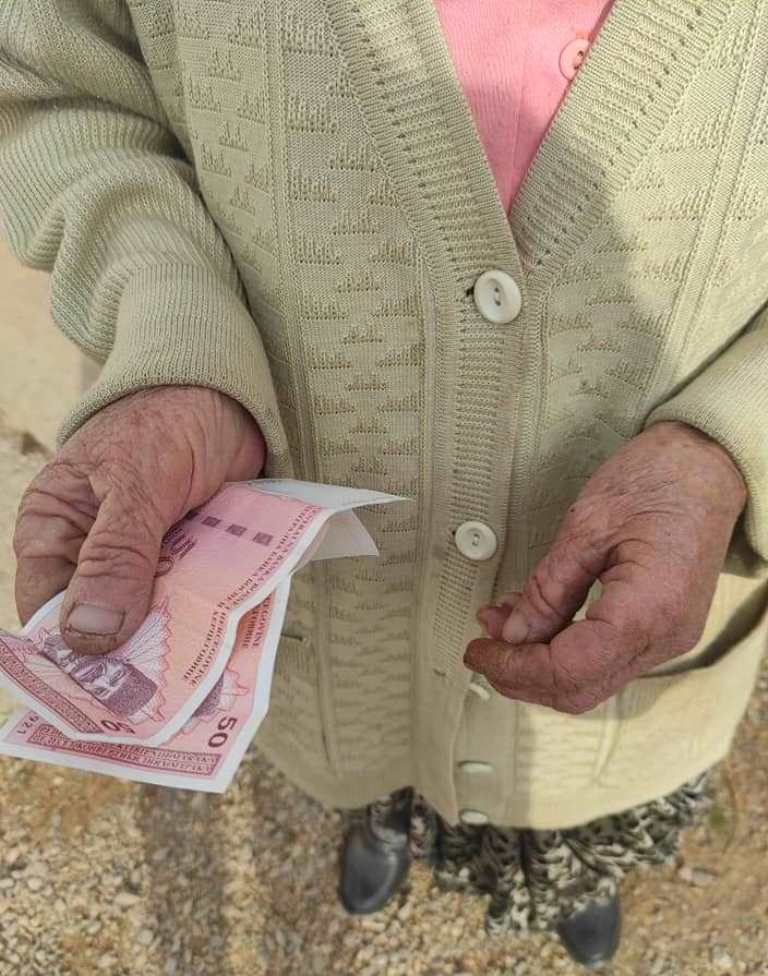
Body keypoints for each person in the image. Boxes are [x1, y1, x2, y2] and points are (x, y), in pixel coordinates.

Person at [1, 1, 767, 968]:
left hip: (636, 680)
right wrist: (172, 338)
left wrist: (735, 442)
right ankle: (383, 821)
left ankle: (575, 869)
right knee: (364, 762)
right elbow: (60, 87)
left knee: (583, 807)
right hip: (333, 633)